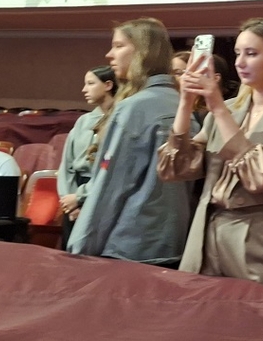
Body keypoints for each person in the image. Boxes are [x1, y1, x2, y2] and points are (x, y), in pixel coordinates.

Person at [158, 18, 263, 295]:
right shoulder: (229, 109)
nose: (240, 62)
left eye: (251, 53)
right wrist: (186, 104)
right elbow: (173, 168)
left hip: (260, 236)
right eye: (238, 53)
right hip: (207, 228)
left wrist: (216, 107)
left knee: (257, 315)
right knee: (202, 313)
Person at [67, 18, 190, 266]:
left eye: (118, 46)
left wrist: (80, 246)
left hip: (127, 245)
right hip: (173, 241)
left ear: (142, 52)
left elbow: (111, 185)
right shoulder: (180, 103)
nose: (109, 54)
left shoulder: (133, 108)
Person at [57, 66, 118, 249]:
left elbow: (110, 167)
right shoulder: (83, 121)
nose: (84, 89)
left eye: (90, 83)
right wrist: (70, 201)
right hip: (74, 192)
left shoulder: (120, 119)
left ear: (108, 85)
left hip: (99, 191)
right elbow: (67, 165)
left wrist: (81, 198)